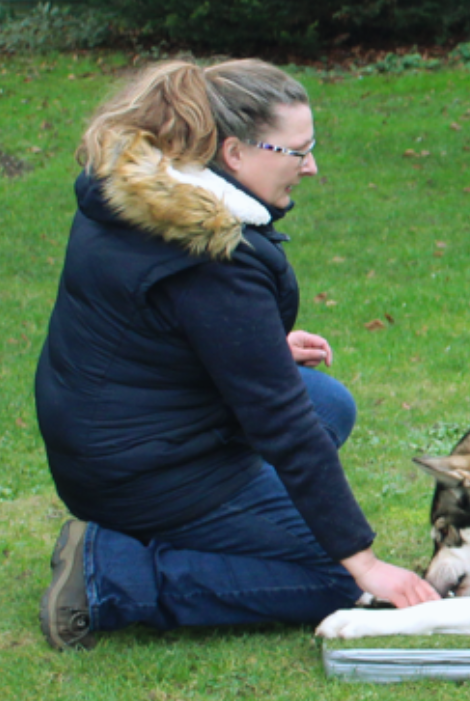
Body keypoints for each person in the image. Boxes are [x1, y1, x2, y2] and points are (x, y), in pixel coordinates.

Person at [35, 59, 440, 651]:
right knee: (335, 578)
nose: (311, 166)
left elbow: (144, 319)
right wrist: (365, 563)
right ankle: (108, 576)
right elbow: (281, 422)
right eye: (297, 151)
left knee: (331, 404)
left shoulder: (141, 192)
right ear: (233, 153)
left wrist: (255, 348)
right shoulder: (210, 254)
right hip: (137, 470)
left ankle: (221, 526)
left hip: (110, 435)